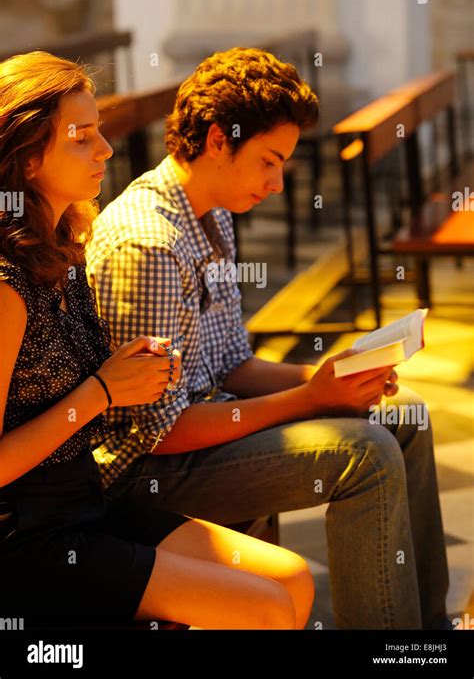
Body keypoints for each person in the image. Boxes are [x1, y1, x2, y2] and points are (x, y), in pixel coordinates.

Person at [86, 47, 452, 630]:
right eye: (268, 161)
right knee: (366, 452)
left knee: (403, 413)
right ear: (216, 140)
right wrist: (311, 400)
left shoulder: (212, 212)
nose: (278, 184)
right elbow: (160, 433)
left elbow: (232, 361)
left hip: (207, 428)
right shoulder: (148, 244)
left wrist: (332, 377)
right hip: (146, 473)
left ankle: (426, 630)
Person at [0, 51, 315, 631]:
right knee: (265, 608)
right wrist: (102, 390)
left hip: (87, 504)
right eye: (82, 138)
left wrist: (130, 369)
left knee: (291, 578)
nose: (107, 150)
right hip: (27, 536)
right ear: (26, 153)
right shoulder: (7, 284)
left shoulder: (63, 250)